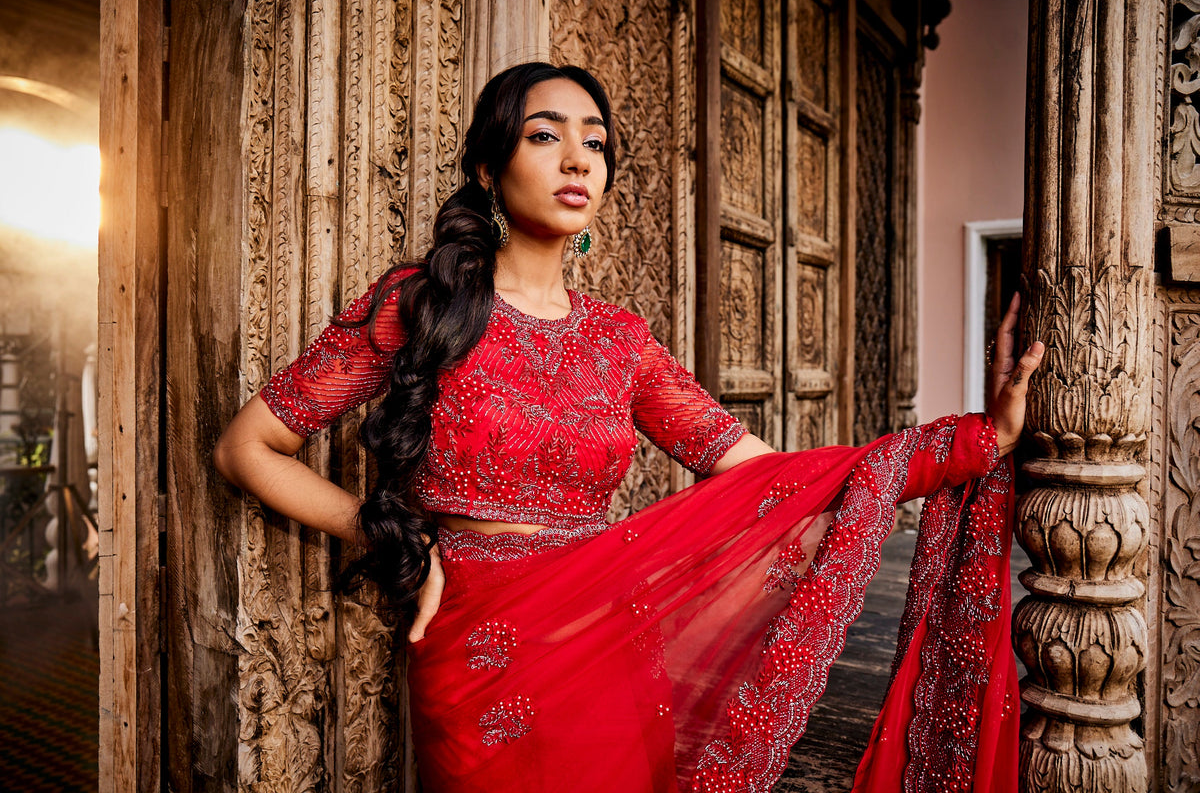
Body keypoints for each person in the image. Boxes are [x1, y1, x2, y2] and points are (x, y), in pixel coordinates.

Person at [214, 62, 1044, 793]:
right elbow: (247, 446)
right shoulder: (421, 306)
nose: (579, 159)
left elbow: (772, 476)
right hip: (478, 655)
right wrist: (398, 539)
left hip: (610, 647)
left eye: (596, 143)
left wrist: (975, 440)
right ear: (486, 167)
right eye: (546, 136)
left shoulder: (621, 340)